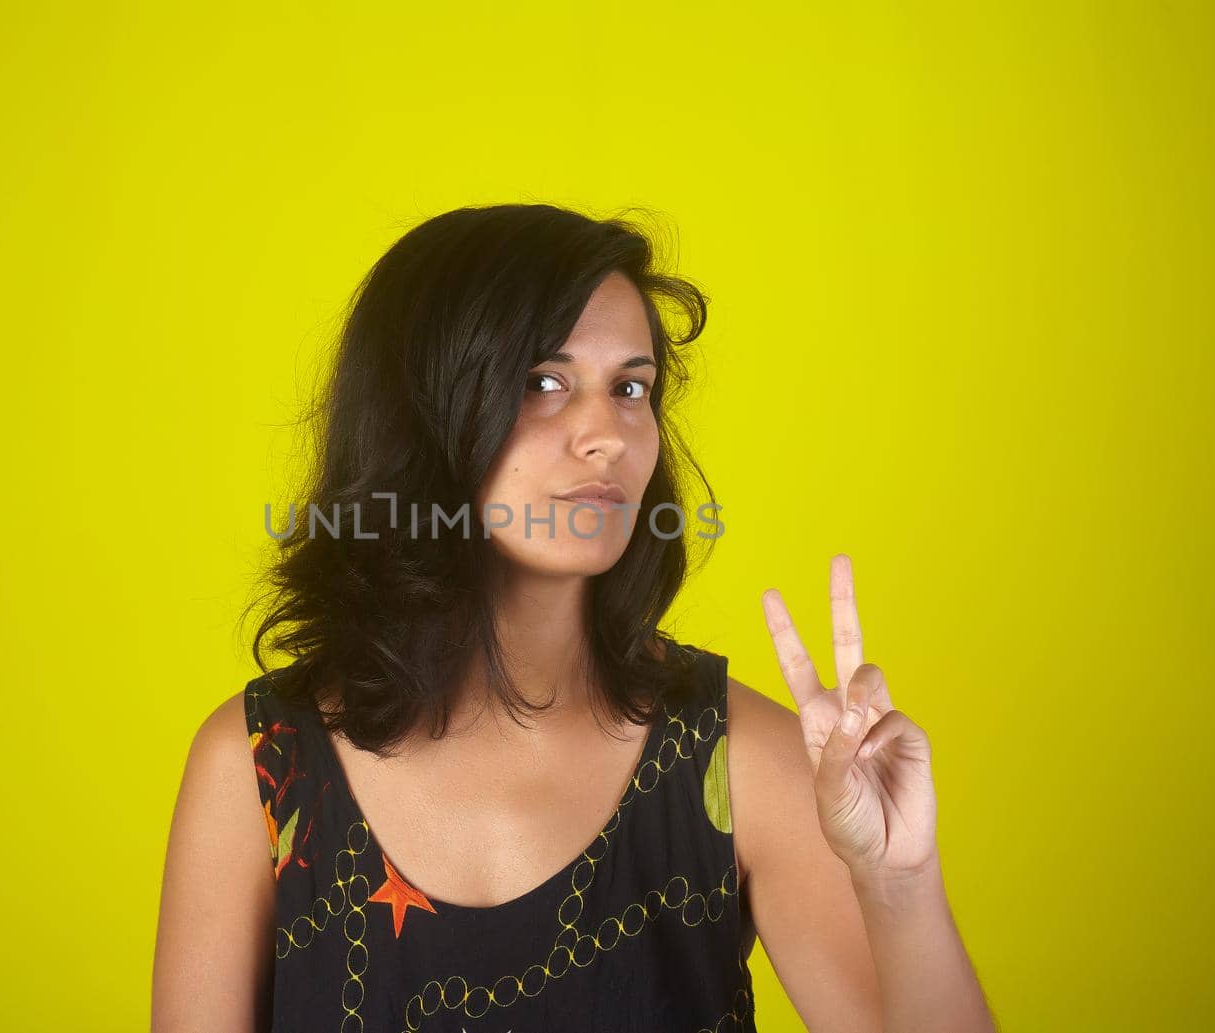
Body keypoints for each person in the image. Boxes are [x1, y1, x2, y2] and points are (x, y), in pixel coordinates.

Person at [152, 203, 997, 1032]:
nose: (609, 433)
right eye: (544, 383)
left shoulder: (742, 761)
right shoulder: (258, 769)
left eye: (631, 386)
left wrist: (899, 883)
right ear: (421, 410)